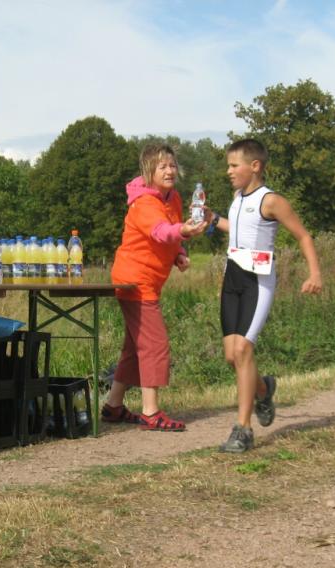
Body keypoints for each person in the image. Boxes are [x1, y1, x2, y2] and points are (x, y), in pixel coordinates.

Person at [210, 139, 323, 452]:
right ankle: (263, 389)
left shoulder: (271, 201)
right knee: (232, 356)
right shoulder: (237, 197)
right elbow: (238, 228)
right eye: (228, 165)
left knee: (244, 350)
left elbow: (303, 236)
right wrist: (212, 220)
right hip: (232, 278)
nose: (228, 171)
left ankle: (243, 430)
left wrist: (315, 274)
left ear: (255, 166)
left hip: (257, 282)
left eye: (234, 165)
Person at [103, 144, 207, 431]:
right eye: (162, 166)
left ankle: (113, 406)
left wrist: (179, 253)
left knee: (134, 347)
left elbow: (170, 235)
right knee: (154, 345)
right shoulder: (144, 203)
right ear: (149, 171)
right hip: (135, 281)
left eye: (172, 165)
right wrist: (183, 231)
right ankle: (151, 412)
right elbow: (161, 232)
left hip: (147, 280)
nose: (169, 171)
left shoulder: (173, 199)